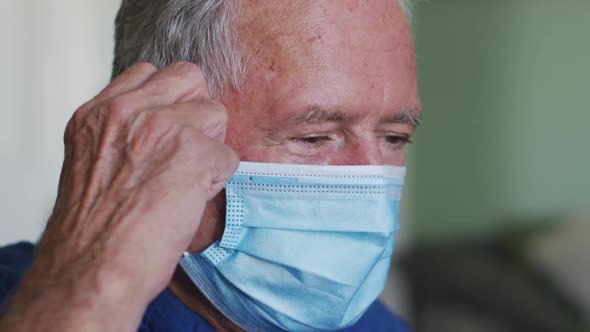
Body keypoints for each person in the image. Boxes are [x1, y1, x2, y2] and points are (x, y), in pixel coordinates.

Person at [0, 0, 420, 331]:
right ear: (162, 127)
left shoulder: (372, 324)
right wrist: (93, 282)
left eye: (393, 139)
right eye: (313, 138)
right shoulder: (28, 303)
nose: (370, 180)